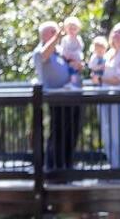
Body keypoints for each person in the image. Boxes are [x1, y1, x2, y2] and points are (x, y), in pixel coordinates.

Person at [32, 20, 82, 170]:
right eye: (53, 32)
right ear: (44, 35)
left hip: (71, 97)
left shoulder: (60, 51)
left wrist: (79, 65)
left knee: (71, 133)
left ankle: (67, 166)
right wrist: (57, 36)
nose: (57, 35)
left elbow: (73, 66)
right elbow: (44, 54)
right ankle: (54, 168)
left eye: (57, 32)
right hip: (56, 99)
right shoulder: (40, 51)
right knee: (58, 135)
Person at [95, 24, 120, 169]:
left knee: (116, 131)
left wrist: (100, 80)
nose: (117, 35)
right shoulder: (107, 54)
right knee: (106, 132)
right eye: (115, 32)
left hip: (119, 98)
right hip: (103, 98)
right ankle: (112, 165)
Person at [60, 16, 85, 88]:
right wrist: (66, 55)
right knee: (67, 69)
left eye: (74, 29)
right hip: (67, 57)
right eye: (70, 28)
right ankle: (69, 82)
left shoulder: (78, 39)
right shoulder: (65, 39)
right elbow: (63, 49)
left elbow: (80, 48)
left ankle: (75, 82)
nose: (72, 31)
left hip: (76, 57)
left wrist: (74, 56)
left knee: (75, 70)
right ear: (66, 29)